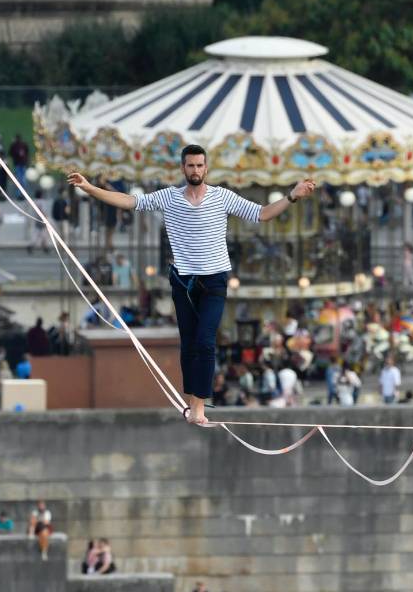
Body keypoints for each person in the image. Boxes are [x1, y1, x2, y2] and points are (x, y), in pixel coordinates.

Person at [67, 144, 316, 425]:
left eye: (200, 165)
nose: (195, 170)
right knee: (188, 344)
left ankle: (199, 406)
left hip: (215, 279)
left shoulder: (223, 197)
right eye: (190, 166)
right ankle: (191, 401)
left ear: (206, 168)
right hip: (183, 279)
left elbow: (262, 213)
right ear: (183, 168)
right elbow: (129, 202)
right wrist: (90, 189)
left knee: (205, 341)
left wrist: (292, 196)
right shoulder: (169, 198)